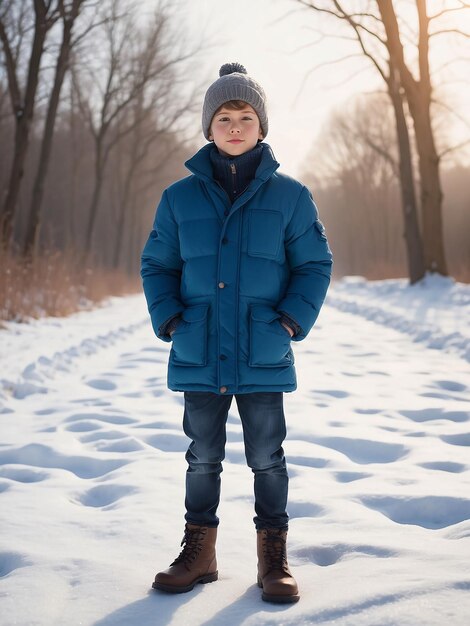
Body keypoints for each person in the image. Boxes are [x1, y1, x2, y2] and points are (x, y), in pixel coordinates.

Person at [141, 62, 332, 604]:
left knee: (268, 457)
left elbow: (315, 263)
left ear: (261, 126)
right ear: (208, 127)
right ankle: (198, 553)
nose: (234, 126)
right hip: (200, 348)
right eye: (223, 117)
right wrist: (173, 318)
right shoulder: (178, 198)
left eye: (245, 116)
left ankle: (273, 559)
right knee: (202, 456)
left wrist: (291, 320)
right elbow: (157, 264)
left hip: (262, 352)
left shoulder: (291, 196)